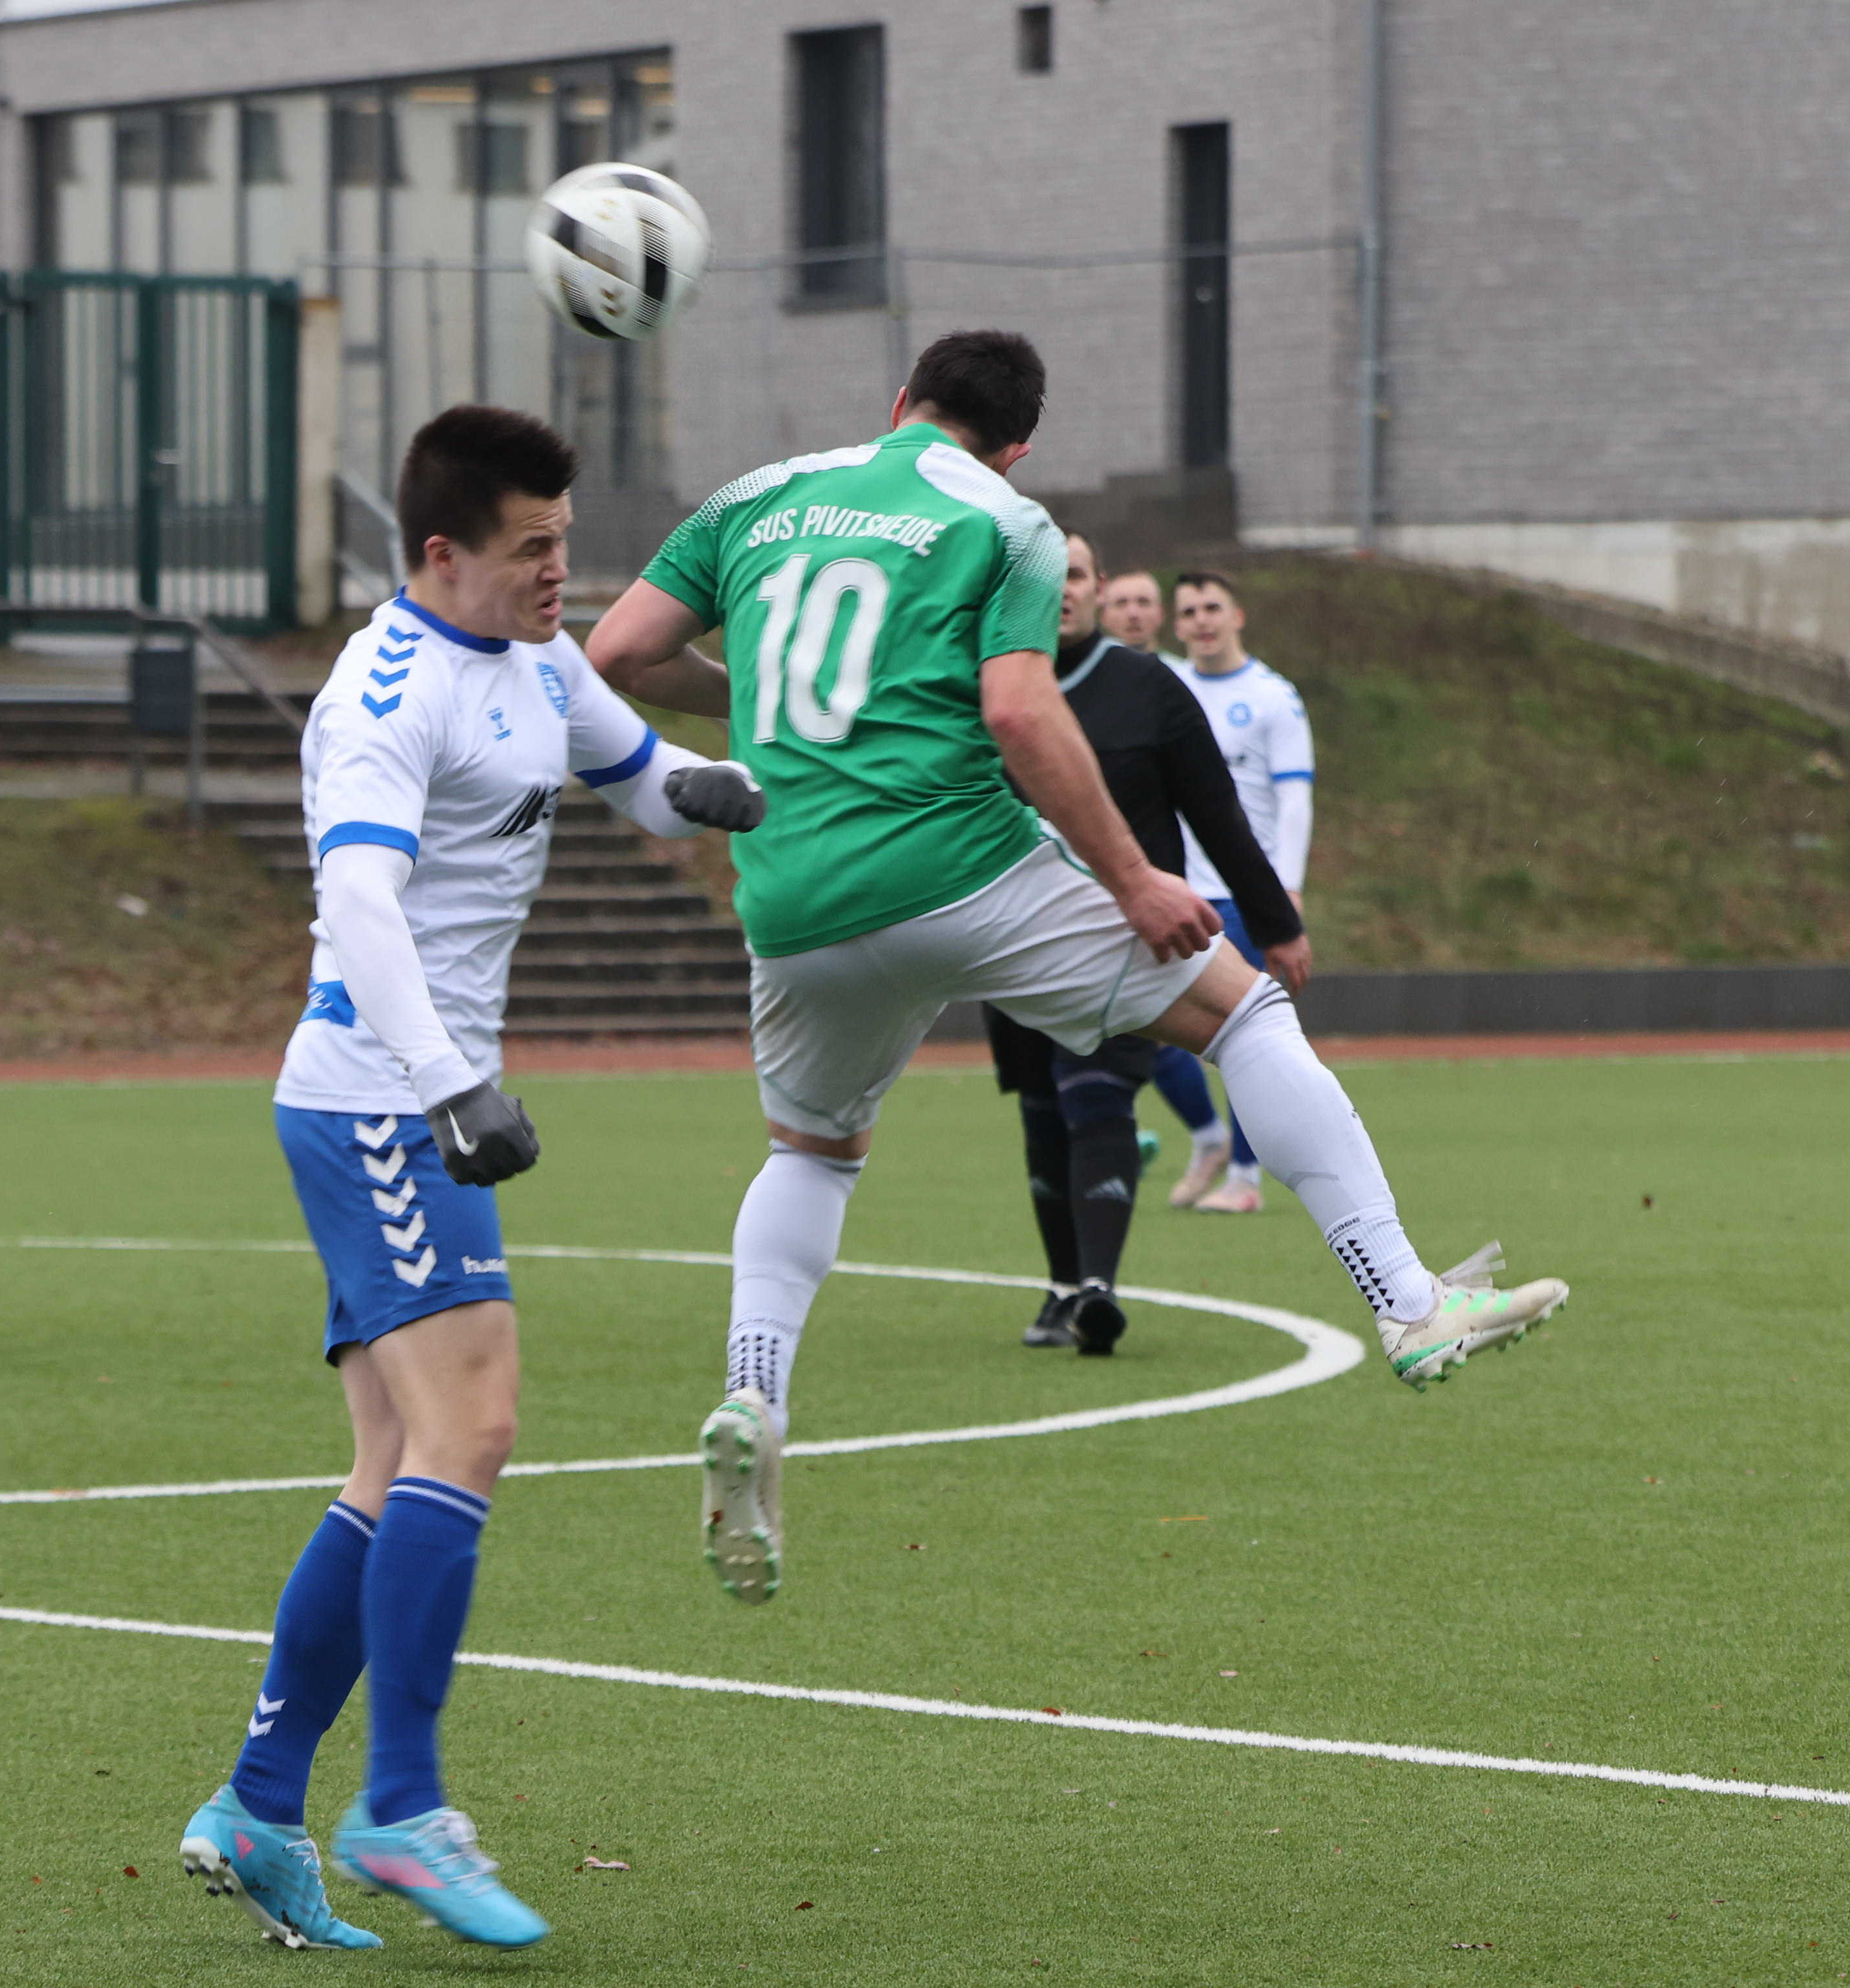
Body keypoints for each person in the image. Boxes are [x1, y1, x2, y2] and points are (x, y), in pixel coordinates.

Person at [584, 329, 1567, 1607]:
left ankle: (751, 1392)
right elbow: (1016, 710)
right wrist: (1132, 876)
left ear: (897, 400)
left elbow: (615, 653)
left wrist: (763, 706)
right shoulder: (1006, 521)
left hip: (790, 895)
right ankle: (1403, 1297)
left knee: (809, 1155)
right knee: (1242, 1013)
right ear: (1016, 446)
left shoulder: (755, 497)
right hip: (956, 865)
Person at [175, 406, 757, 1952]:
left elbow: (650, 779)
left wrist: (751, 779)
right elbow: (361, 902)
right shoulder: (385, 692)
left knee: (394, 1458)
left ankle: (258, 1801)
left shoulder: (535, 658)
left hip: (406, 1100)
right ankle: (402, 1806)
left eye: (566, 540)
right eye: (532, 547)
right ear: (442, 553)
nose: (563, 572)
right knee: (473, 1424)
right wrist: (448, 1082)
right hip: (383, 1096)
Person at [991, 528, 1305, 1353]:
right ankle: (1062, 1285)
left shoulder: (1147, 687)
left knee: (1097, 1096)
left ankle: (1097, 1289)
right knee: (1041, 1111)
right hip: (1009, 941)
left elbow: (1217, 812)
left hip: (1123, 939)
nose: (1060, 588)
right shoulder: (987, 685)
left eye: (1075, 574)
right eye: (1044, 574)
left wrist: (1277, 923)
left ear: (1101, 589)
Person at [1151, 568, 1316, 1214]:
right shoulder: (1165, 687)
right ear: (1176, 625)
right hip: (1173, 891)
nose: (1202, 621)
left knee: (1245, 1036)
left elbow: (1293, 798)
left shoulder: (1273, 697)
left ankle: (1245, 1178)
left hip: (1242, 896)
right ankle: (1208, 1136)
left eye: (1212, 607)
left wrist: (1286, 889)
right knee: (1145, 1029)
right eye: (1189, 612)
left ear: (1237, 615)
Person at [1100, 566, 1164, 650]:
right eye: (1121, 603)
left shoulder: (1176, 660)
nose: (1133, 614)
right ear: (1104, 616)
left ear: (1161, 614)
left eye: (1143, 602)